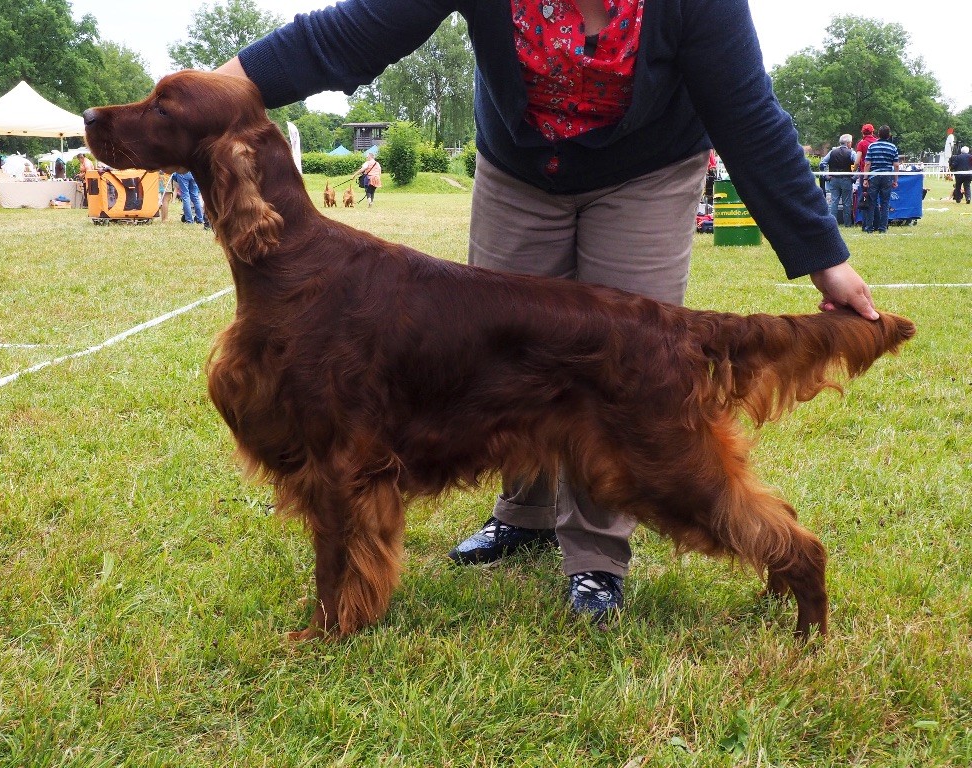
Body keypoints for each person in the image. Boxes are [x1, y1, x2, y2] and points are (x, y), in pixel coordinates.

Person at [214, 0, 879, 624]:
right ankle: (522, 516)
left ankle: (595, 559)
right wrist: (215, 90)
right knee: (492, 359)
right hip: (522, 166)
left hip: (645, 168)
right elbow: (351, 32)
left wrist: (824, 257)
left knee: (629, 378)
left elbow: (747, 114)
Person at [862, 125, 900, 234]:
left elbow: (867, 163)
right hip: (887, 177)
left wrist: (865, 178)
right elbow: (896, 165)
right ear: (889, 135)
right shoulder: (893, 147)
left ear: (878, 134)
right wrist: (895, 180)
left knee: (871, 202)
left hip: (874, 176)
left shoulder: (872, 146)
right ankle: (883, 228)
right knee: (885, 203)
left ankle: (869, 228)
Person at [819, 134, 856, 227]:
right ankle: (847, 223)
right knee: (847, 202)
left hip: (834, 179)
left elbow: (822, 163)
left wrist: (826, 175)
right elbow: (857, 164)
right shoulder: (851, 153)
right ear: (848, 143)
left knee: (834, 202)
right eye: (851, 142)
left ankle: (833, 223)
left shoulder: (832, 152)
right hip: (846, 179)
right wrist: (854, 177)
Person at [854, 124, 877, 232]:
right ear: (872, 132)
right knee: (874, 200)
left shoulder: (861, 143)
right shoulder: (877, 142)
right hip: (876, 173)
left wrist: (853, 170)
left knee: (864, 199)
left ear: (862, 132)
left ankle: (865, 225)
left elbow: (857, 161)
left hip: (865, 174)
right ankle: (876, 223)